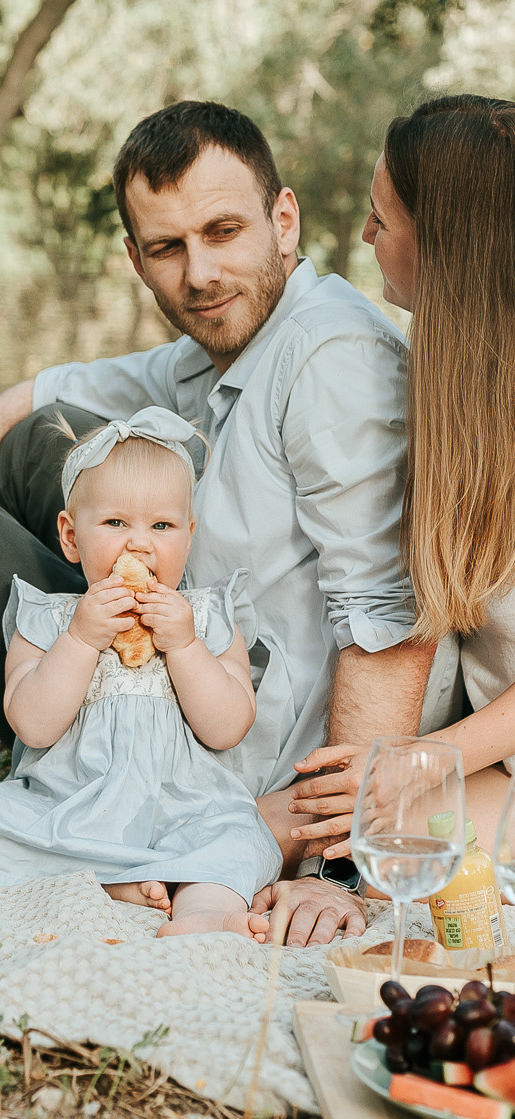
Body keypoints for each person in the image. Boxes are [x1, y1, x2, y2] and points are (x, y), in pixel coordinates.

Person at [0, 100, 452, 945]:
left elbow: (387, 618)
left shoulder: (330, 360)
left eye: (222, 232)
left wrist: (333, 856)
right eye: (168, 248)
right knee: (37, 440)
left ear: (283, 220)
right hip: (125, 670)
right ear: (133, 258)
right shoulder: (214, 347)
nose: (200, 275)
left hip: (217, 745)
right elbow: (38, 393)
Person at [0, 408, 283, 937]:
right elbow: (34, 725)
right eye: (115, 523)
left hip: (186, 809)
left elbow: (226, 727)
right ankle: (113, 883)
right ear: (70, 536)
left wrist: (184, 646)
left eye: (162, 525)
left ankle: (203, 911)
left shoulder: (207, 619)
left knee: (240, 837)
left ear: (189, 535)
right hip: (71, 807)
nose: (139, 544)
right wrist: (82, 639)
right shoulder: (49, 620)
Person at [281, 94, 515, 863]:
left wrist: (419, 761)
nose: (363, 235)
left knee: (392, 864)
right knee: (377, 851)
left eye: (382, 218)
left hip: (482, 747)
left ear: (443, 244)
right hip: (491, 751)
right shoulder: (446, 392)